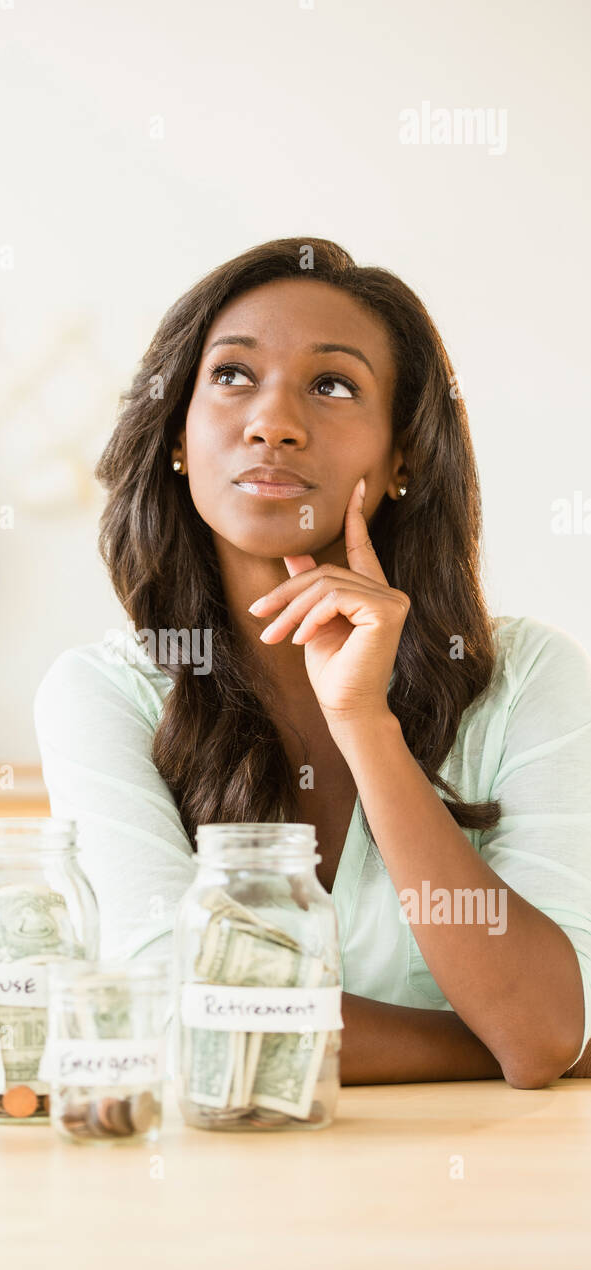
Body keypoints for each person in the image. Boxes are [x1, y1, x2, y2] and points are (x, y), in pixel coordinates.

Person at [34, 237, 591, 1088]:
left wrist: (365, 724)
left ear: (399, 457)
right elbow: (166, 1015)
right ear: (177, 436)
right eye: (230, 376)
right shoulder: (103, 695)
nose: (272, 423)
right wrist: (492, 1046)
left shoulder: (529, 677)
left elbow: (549, 1022)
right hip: (210, 1198)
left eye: (332, 385)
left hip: (481, 1200)